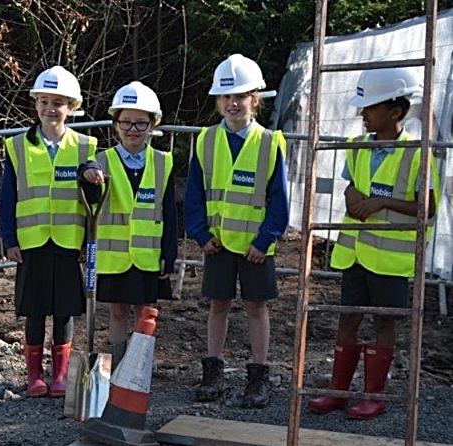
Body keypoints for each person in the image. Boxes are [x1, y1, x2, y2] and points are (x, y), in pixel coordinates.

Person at [308, 67, 439, 420]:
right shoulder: (358, 146)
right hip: (354, 254)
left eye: (370, 108)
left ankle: (374, 395)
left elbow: (426, 208)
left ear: (394, 111)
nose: (363, 114)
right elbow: (350, 183)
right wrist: (353, 197)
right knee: (348, 316)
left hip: (389, 261)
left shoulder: (417, 153)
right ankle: (338, 392)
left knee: (385, 321)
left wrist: (381, 203)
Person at [184, 54, 289, 408]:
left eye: (240, 96)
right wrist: (200, 233)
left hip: (256, 247)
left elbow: (280, 199)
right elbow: (195, 193)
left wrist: (265, 239)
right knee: (218, 305)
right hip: (217, 243)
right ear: (218, 101)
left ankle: (257, 376)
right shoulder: (205, 140)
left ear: (254, 99)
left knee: (256, 308)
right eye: (226, 97)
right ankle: (212, 373)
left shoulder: (270, 142)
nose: (232, 103)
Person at [0, 65, 100, 398]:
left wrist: (91, 175)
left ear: (71, 107)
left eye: (58, 102)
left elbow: (94, 197)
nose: (49, 109)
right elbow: (8, 195)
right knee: (35, 309)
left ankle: (60, 374)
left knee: (64, 310)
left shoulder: (85, 147)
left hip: (68, 244)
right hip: (31, 243)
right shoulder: (17, 147)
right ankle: (34, 376)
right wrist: (10, 239)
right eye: (43, 101)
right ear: (36, 104)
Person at [80, 81, 177, 370]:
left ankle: (140, 367)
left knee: (146, 312)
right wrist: (85, 173)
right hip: (114, 258)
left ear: (152, 125)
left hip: (148, 257)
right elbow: (89, 199)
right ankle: (119, 366)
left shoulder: (163, 163)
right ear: (115, 125)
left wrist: (168, 255)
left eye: (140, 123)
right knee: (118, 312)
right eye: (126, 122)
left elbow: (170, 213)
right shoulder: (101, 162)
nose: (133, 129)